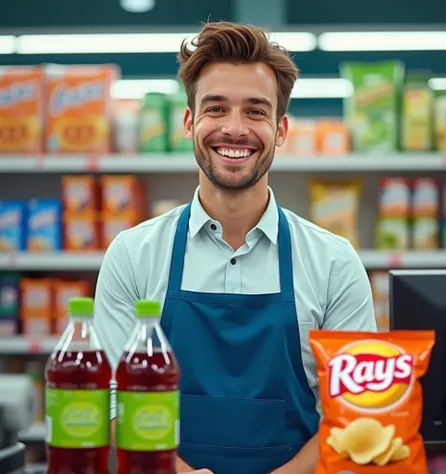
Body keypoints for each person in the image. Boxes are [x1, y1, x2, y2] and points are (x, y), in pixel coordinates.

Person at [94, 20, 377, 474]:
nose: (234, 128)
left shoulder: (334, 263)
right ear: (190, 122)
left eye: (256, 111)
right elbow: (111, 402)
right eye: (216, 108)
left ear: (280, 129)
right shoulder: (133, 255)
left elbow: (355, 411)